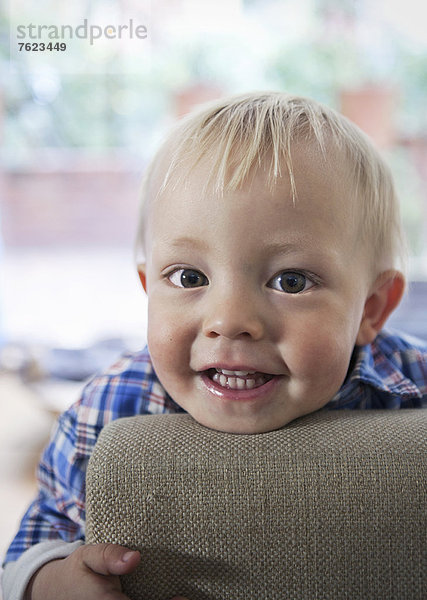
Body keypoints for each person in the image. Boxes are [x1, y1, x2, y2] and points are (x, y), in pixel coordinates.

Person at [2, 91, 426, 600]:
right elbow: (33, 542)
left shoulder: (411, 383)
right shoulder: (109, 406)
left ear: (372, 309)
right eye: (188, 276)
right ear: (147, 289)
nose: (229, 321)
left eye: (290, 281)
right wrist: (47, 582)